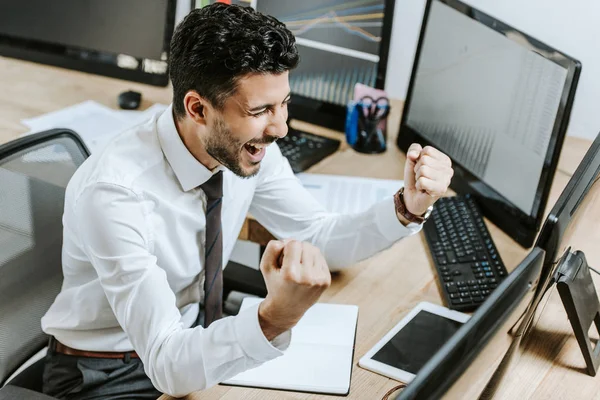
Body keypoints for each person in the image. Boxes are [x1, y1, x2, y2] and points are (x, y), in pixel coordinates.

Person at [40, 3, 454, 399]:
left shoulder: (247, 149)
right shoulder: (116, 194)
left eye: (284, 104)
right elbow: (166, 363)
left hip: (193, 337)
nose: (282, 128)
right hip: (106, 373)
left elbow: (318, 234)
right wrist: (275, 319)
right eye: (261, 110)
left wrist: (407, 207)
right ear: (197, 108)